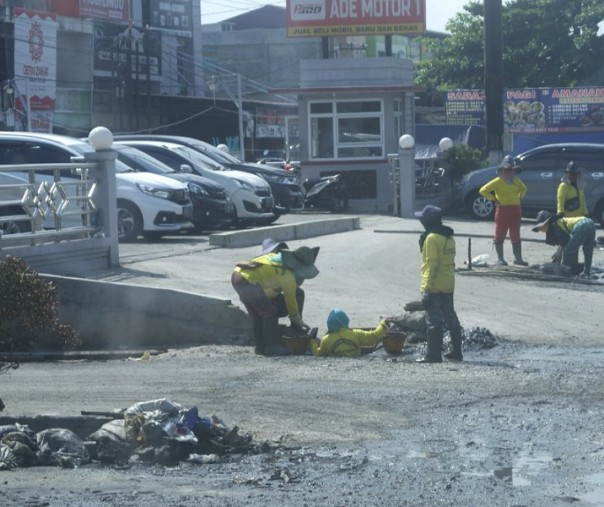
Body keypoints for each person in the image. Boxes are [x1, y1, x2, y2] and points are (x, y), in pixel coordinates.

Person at [231, 244, 319, 356]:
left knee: (258, 313)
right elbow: (291, 301)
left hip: (237, 275)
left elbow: (267, 288)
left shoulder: (276, 258)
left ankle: (260, 347)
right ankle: (273, 347)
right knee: (269, 312)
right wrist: (297, 320)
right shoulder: (287, 275)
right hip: (247, 280)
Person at [414, 205, 463, 363]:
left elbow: (432, 264)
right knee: (451, 317)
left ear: (427, 221)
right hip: (448, 284)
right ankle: (457, 352)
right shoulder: (449, 237)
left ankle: (433, 355)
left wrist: (427, 287)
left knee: (433, 320)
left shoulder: (431, 238)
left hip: (434, 285)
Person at [479, 155, 528, 266]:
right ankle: (500, 258)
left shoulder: (516, 181)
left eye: (510, 170)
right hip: (502, 210)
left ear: (513, 170)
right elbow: (483, 190)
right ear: (501, 170)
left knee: (515, 234)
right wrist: (494, 199)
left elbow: (524, 188)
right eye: (506, 170)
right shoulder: (498, 181)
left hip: (516, 209)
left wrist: (520, 196)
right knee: (500, 233)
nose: (508, 172)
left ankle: (518, 259)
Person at [532, 210, 596, 277]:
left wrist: (558, 253)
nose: (541, 229)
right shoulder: (559, 222)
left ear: (547, 222)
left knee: (568, 250)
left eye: (541, 227)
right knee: (588, 250)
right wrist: (558, 254)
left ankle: (566, 271)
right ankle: (586, 272)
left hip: (581, 225)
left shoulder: (556, 224)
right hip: (590, 223)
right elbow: (564, 241)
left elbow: (563, 240)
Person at [309, 309, 388, 357]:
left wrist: (312, 341)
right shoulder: (355, 334)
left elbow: (318, 354)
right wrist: (383, 324)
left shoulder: (326, 340)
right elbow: (373, 337)